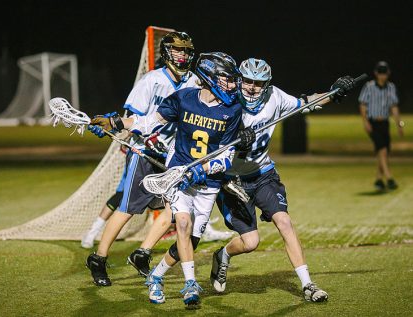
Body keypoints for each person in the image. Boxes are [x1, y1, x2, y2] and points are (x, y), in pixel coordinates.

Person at [93, 52, 243, 309]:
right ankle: (190, 284)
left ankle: (156, 275)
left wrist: (204, 169)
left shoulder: (232, 109)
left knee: (192, 239)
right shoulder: (184, 98)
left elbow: (228, 156)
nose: (232, 85)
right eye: (226, 79)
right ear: (210, 77)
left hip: (208, 183)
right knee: (182, 222)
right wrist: (115, 122)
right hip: (179, 173)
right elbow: (148, 122)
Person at [209, 58, 356, 302]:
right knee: (250, 243)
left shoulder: (275, 97)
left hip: (263, 174)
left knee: (284, 222)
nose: (252, 87)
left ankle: (308, 284)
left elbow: (306, 103)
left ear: (267, 84)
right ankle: (222, 255)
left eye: (258, 82)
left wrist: (334, 92)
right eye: (247, 81)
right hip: (232, 181)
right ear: (238, 79)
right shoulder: (226, 101)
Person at [85, 31, 198, 286]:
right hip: (144, 153)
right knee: (128, 209)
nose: (182, 55)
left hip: (173, 158)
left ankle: (141, 253)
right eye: (178, 50)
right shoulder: (152, 80)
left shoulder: (195, 82)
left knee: (175, 210)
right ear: (167, 52)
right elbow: (133, 118)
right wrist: (113, 125)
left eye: (186, 51)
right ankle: (98, 258)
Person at [358, 61, 404, 191]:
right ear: (376, 73)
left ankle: (378, 179)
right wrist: (365, 121)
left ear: (388, 73)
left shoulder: (391, 87)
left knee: (384, 151)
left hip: (384, 122)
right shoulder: (369, 86)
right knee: (382, 149)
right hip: (373, 122)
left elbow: (394, 107)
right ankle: (389, 178)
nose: (383, 76)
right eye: (380, 73)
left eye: (385, 73)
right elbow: (362, 104)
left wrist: (399, 124)